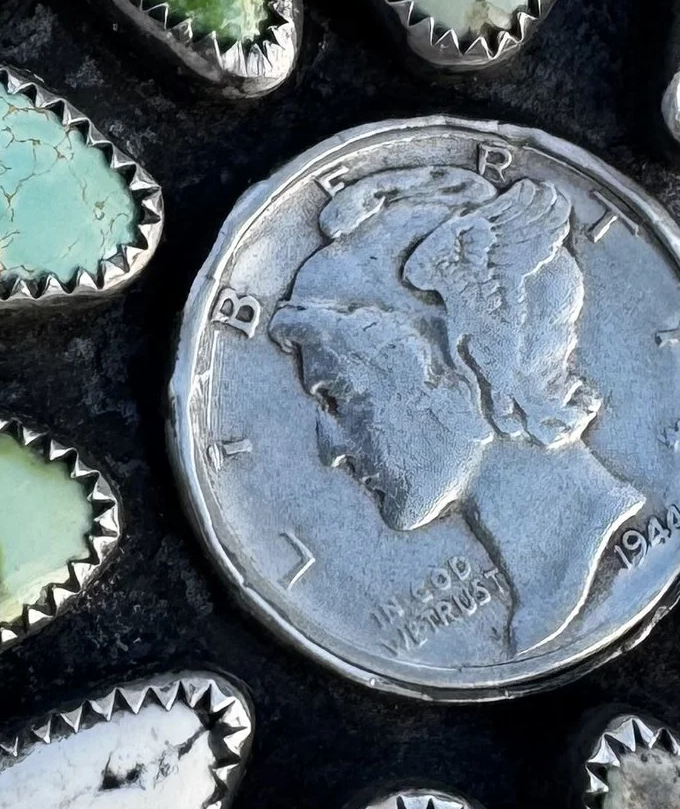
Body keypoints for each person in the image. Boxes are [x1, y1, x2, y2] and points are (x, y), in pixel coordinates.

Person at [269, 166, 645, 656]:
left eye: (341, 398)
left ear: (467, 364)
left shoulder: (552, 609)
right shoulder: (538, 615)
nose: (331, 448)